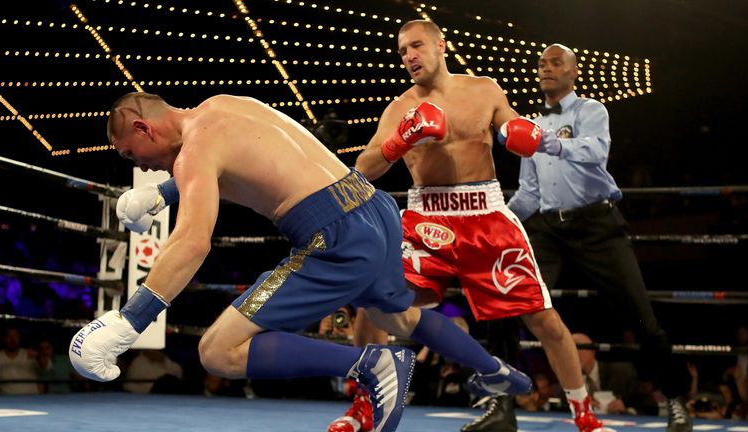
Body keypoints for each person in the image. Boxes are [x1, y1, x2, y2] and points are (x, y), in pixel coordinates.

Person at [69, 92, 533, 432]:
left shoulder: (194, 155)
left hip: (334, 233)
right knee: (399, 315)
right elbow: (253, 157)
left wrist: (128, 323)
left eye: (133, 155)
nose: (143, 165)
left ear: (143, 129)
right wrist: (160, 193)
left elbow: (192, 242)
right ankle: (495, 371)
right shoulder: (224, 106)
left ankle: (373, 364)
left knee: (218, 351)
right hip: (374, 208)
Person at [336, 20, 609, 432]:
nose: (409, 55)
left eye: (416, 46)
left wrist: (522, 134)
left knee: (544, 321)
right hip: (426, 220)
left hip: (486, 216)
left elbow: (516, 130)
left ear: (440, 45)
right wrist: (401, 140)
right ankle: (362, 404)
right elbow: (364, 169)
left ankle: (585, 417)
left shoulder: (484, 89)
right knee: (376, 299)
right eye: (402, 51)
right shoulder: (398, 109)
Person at [507, 43, 692, 432]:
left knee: (641, 315)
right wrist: (496, 220)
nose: (546, 68)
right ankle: (498, 402)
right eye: (541, 63)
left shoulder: (592, 111)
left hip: (598, 225)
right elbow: (529, 193)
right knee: (509, 302)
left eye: (556, 62)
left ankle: (676, 400)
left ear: (573, 72)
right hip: (549, 229)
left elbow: (595, 151)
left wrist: (548, 141)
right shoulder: (530, 123)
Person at [572, 333, 657, 415]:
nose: (573, 354)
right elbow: (561, 406)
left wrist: (626, 410)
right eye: (568, 351)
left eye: (578, 348)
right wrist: (579, 406)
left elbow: (650, 406)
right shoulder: (565, 377)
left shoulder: (622, 373)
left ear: (592, 351)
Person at [0, 326, 41, 395]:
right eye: (9, 336)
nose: (13, 339)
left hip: (32, 399)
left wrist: (38, 356)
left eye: (16, 336)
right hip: (7, 401)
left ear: (20, 338)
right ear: (4, 338)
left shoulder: (30, 354)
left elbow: (45, 368)